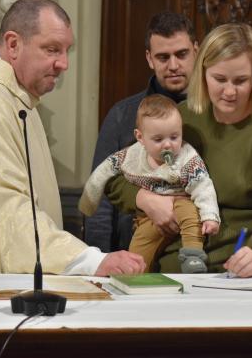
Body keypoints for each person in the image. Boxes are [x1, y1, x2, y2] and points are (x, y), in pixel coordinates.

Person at [0, 0, 145, 276]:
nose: (64, 64)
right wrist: (92, 261)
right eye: (52, 49)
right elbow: (6, 210)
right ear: (13, 45)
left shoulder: (14, 97)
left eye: (66, 50)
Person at [106, 23, 252, 277]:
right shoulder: (183, 118)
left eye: (241, 81)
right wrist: (146, 200)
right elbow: (113, 178)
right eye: (219, 79)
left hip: (234, 275)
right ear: (202, 74)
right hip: (171, 272)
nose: (229, 91)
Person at [83, 11, 198, 253]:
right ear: (149, 58)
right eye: (163, 57)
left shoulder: (212, 114)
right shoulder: (122, 115)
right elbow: (102, 196)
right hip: (134, 249)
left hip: (196, 250)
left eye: (181, 54)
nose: (173, 65)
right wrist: (100, 259)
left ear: (196, 50)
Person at [79, 94, 220, 273]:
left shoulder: (186, 157)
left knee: (190, 213)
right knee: (139, 247)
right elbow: (103, 172)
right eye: (158, 139)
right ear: (140, 137)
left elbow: (203, 186)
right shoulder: (132, 156)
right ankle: (134, 273)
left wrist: (210, 216)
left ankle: (193, 255)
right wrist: (88, 203)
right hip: (148, 216)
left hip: (181, 201)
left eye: (174, 137)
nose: (168, 145)